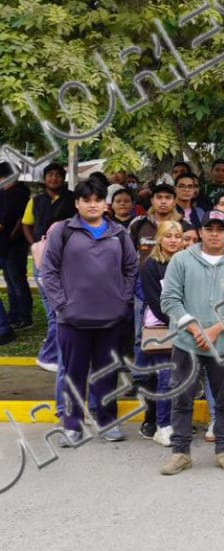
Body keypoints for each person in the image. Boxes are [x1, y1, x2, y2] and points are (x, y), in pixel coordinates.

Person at [42, 180, 139, 445]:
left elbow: (131, 268)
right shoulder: (63, 231)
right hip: (72, 319)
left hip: (111, 318)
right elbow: (49, 270)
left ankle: (108, 423)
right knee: (73, 375)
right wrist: (61, 304)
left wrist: (123, 299)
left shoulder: (119, 233)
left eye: (97, 200)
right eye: (87, 200)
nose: (92, 205)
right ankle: (72, 426)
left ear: (105, 204)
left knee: (107, 373)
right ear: (77, 203)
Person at [158, 210, 224, 476]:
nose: (214, 234)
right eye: (209, 229)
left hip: (223, 344)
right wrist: (193, 327)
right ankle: (180, 453)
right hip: (186, 343)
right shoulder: (181, 260)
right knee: (182, 396)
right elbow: (170, 299)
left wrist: (216, 329)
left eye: (220, 229)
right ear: (200, 232)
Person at [137, 220, 187, 446]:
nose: (173, 240)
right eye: (168, 236)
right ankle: (162, 426)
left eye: (177, 236)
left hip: (187, 326)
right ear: (159, 238)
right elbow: (155, 302)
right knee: (166, 378)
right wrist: (179, 321)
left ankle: (177, 422)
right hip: (162, 328)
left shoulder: (188, 263)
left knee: (183, 378)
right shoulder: (151, 265)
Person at [23, 163, 76, 371]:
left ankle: (54, 354)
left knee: (60, 311)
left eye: (58, 175)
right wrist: (34, 244)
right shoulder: (36, 201)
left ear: (63, 178)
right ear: (45, 178)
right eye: (50, 175)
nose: (54, 178)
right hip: (42, 260)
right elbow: (26, 224)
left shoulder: (73, 199)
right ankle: (49, 355)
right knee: (56, 312)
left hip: (68, 260)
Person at [0, 173, 32, 333]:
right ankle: (14, 314)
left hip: (14, 243)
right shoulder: (5, 193)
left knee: (17, 279)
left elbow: (21, 219)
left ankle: (24, 315)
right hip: (6, 244)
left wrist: (12, 235)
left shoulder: (18, 193)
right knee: (10, 280)